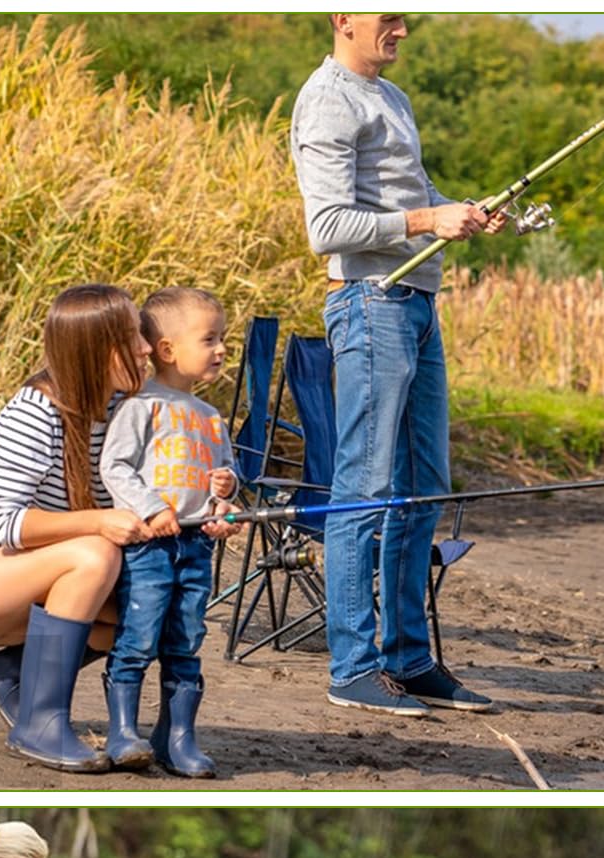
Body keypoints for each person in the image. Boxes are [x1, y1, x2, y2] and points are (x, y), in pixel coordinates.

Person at [290, 13, 506, 718]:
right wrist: (425, 223)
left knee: (423, 486)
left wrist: (462, 211)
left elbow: (416, 196)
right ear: (342, 18)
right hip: (369, 302)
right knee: (366, 485)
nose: (403, 30)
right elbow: (328, 228)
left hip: (416, 304)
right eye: (390, 18)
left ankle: (407, 659)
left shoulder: (394, 98)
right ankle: (351, 668)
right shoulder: (328, 98)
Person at [0, 284, 156, 774]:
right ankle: (41, 725)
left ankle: (15, 676)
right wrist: (98, 521)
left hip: (35, 581)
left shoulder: (121, 411)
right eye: (132, 337)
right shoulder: (36, 412)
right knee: (95, 554)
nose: (146, 347)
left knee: (152, 606)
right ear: (96, 350)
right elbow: (0, 522)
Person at [98, 287, 246, 778]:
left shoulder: (211, 418)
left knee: (186, 639)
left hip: (195, 546)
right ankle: (123, 731)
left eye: (222, 338)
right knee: (139, 638)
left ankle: (176, 736)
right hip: (149, 546)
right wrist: (150, 508)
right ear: (167, 350)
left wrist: (225, 493)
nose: (222, 348)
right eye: (210, 339)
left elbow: (223, 478)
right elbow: (115, 467)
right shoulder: (142, 406)